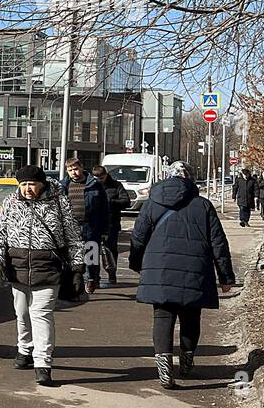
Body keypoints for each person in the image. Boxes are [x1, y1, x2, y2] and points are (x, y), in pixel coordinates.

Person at [130, 161, 235, 389]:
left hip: (160, 271)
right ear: (189, 179)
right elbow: (218, 243)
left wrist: (137, 264)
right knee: (191, 318)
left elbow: (138, 238)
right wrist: (226, 277)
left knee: (162, 318)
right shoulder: (203, 206)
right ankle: (186, 362)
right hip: (195, 271)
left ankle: (164, 372)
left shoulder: (151, 204)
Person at [0, 165, 84, 387]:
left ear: (42, 184)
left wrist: (78, 269)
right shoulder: (11, 202)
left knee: (41, 315)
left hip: (48, 269)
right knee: (21, 313)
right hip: (17, 268)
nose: (28, 189)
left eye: (32, 184)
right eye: (23, 185)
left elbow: (74, 237)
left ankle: (43, 365)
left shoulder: (59, 202)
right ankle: (24, 348)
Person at [60, 156, 109, 295]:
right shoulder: (63, 185)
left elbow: (104, 209)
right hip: (70, 227)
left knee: (91, 256)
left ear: (81, 167)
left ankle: (91, 278)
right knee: (72, 256)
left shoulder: (95, 184)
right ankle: (76, 282)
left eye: (75, 169)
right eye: (70, 170)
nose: (73, 172)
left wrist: (105, 229)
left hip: (91, 226)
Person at [92, 165, 132, 286]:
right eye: (97, 178)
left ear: (106, 175)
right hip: (93, 223)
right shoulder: (90, 185)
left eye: (102, 178)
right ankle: (94, 277)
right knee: (93, 249)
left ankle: (111, 273)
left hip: (111, 223)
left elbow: (126, 201)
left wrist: (109, 203)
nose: (99, 181)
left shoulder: (116, 185)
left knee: (110, 249)